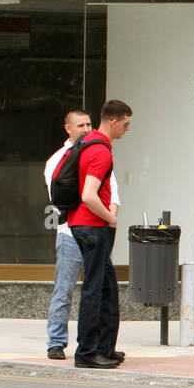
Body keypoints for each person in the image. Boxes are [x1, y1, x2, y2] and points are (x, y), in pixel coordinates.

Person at [44, 109, 120, 361]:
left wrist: (111, 216)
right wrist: (108, 217)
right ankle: (57, 342)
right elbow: (62, 196)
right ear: (68, 128)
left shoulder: (94, 149)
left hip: (91, 226)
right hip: (74, 230)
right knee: (67, 289)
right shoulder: (62, 157)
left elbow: (111, 190)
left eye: (88, 124)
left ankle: (101, 347)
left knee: (101, 286)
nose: (85, 129)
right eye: (80, 125)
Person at [67, 99, 132, 370]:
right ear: (113, 121)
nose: (127, 129)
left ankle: (105, 348)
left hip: (84, 224)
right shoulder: (102, 152)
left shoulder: (89, 142)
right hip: (93, 226)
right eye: (126, 124)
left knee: (106, 288)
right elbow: (88, 195)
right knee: (95, 289)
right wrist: (111, 217)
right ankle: (87, 353)